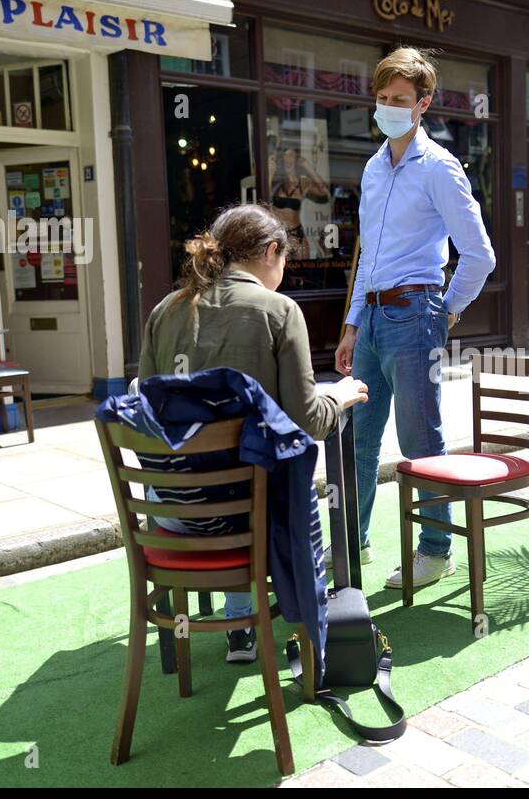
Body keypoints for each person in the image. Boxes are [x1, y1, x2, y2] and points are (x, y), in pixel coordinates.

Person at [138, 203, 368, 661]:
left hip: (172, 515)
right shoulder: (279, 311)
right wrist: (339, 398)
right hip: (250, 517)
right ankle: (295, 623)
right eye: (285, 259)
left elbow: (145, 410)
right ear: (270, 251)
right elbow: (310, 422)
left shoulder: (165, 311)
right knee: (267, 476)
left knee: (228, 468)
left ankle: (237, 626)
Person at [333, 47, 497, 590]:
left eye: (399, 100)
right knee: (356, 439)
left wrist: (444, 311)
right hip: (373, 322)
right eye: (381, 98)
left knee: (419, 439)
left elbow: (479, 253)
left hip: (414, 313)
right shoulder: (374, 167)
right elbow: (368, 255)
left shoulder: (440, 168)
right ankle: (350, 546)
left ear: (423, 104)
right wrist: (352, 324)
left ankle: (435, 551)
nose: (387, 108)